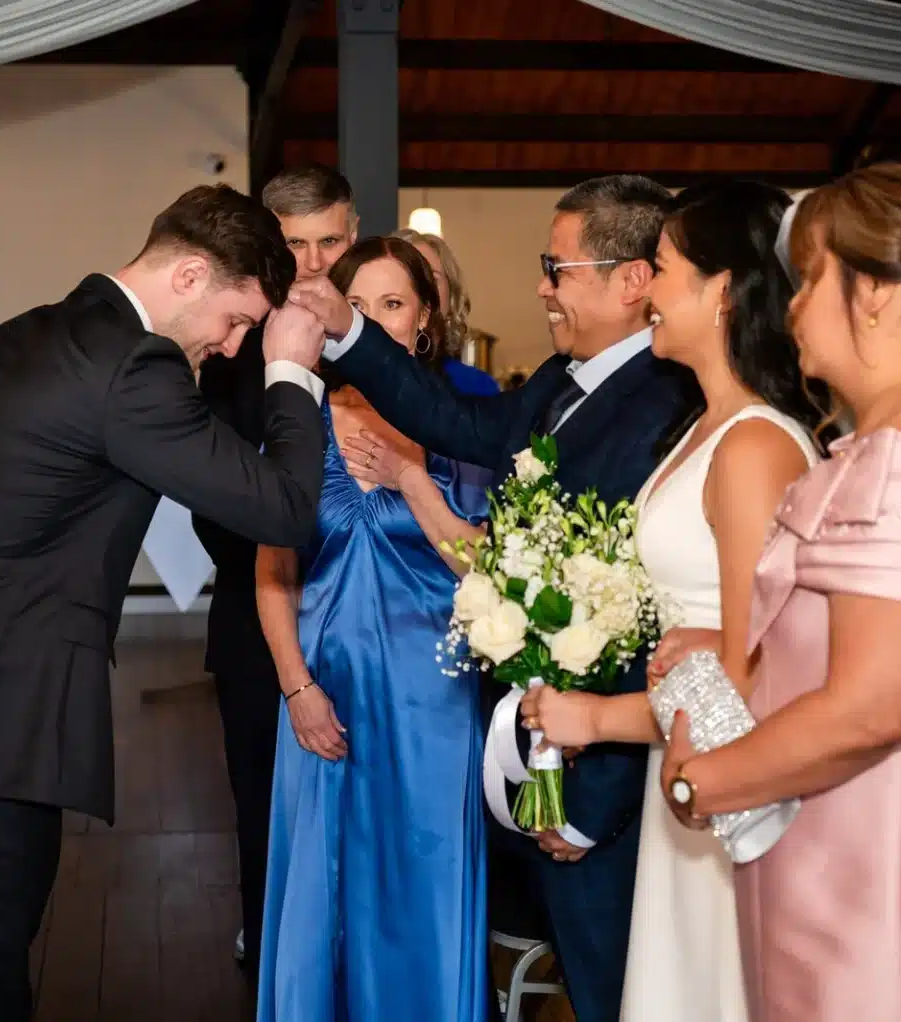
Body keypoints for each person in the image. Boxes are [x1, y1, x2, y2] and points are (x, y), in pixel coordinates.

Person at [0, 184, 329, 1022]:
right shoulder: (132, 368)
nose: (232, 348)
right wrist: (291, 371)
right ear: (190, 275)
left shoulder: (13, 337)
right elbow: (285, 508)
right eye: (236, 319)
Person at [648, 164, 901, 1021]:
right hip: (867, 857)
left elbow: (874, 706)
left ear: (871, 292)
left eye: (811, 280)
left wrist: (704, 784)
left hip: (885, 886)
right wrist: (739, 643)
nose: (790, 306)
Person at [287, 174, 691, 1022]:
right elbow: (465, 429)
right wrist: (346, 330)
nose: (542, 285)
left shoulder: (665, 406)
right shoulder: (562, 378)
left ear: (631, 280)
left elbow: (637, 616)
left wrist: (591, 808)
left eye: (557, 266)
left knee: (625, 978)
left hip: (614, 765)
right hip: (549, 737)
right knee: (595, 974)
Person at [517, 180, 824, 1021]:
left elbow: (751, 671)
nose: (643, 289)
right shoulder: (700, 428)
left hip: (728, 777)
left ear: (722, 289)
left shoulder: (756, 445)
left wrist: (597, 718)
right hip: (682, 768)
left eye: (660, 268)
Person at [255, 236, 489, 1022]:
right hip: (320, 697)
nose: (376, 322)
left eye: (393, 305)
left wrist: (413, 479)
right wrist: (295, 686)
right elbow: (272, 573)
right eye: (358, 307)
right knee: (321, 901)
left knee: (424, 888)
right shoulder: (299, 423)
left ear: (424, 320)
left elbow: (487, 575)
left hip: (434, 706)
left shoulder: (464, 430)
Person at [193, 162, 358, 973]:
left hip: (377, 615)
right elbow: (217, 506)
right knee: (261, 798)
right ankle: (268, 951)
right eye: (295, 244)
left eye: (330, 239)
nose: (315, 261)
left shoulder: (380, 335)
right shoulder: (227, 349)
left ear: (352, 234)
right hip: (256, 606)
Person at [391, 228, 499, 396]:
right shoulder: (355, 382)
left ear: (452, 297)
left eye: (431, 278)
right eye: (408, 276)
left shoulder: (477, 387)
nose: (420, 288)